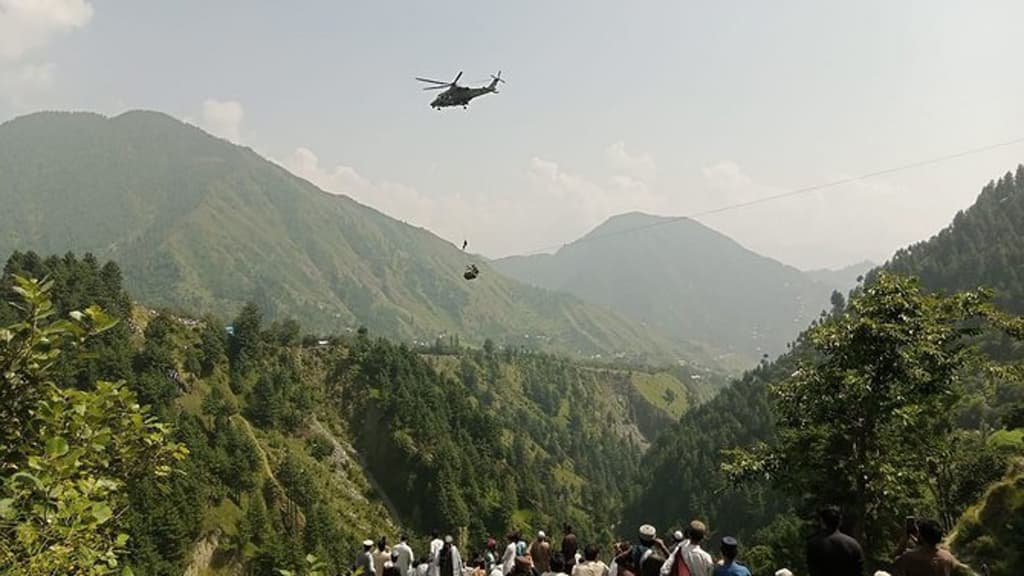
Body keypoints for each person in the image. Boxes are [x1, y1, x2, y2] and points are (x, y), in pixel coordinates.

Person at [891, 518, 969, 576]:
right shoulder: (948, 558)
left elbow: (895, 562)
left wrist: (905, 537)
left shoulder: (909, 558)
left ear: (920, 536)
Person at [806, 506, 865, 576]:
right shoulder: (853, 544)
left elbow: (813, 571)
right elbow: (859, 571)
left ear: (822, 522)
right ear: (840, 522)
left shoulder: (813, 544)